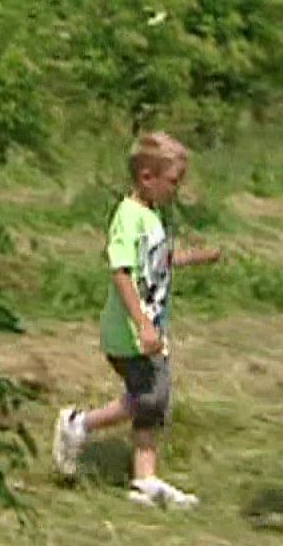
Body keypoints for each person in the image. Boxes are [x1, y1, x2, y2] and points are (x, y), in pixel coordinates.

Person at [51, 131, 222, 509]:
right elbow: (122, 271)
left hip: (149, 330)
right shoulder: (128, 217)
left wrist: (196, 258)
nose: (177, 190)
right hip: (129, 333)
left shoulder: (151, 216)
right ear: (147, 177)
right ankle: (80, 425)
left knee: (153, 400)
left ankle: (144, 478)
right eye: (173, 181)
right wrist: (142, 323)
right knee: (150, 396)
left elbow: (157, 261)